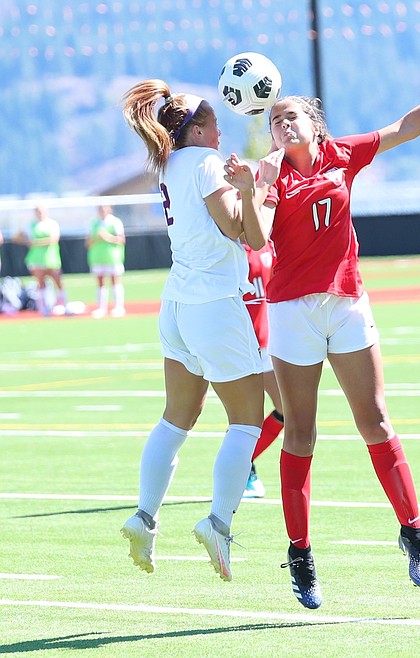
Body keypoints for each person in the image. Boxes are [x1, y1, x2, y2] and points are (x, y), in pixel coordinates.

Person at [227, 45, 420, 609]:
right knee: (301, 433)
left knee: (376, 420)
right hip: (292, 310)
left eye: (291, 115)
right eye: (274, 120)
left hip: (346, 303)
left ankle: (414, 532)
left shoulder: (342, 154)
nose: (282, 124)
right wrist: (250, 188)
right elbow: (256, 239)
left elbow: (407, 127)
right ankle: (300, 554)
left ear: (313, 124)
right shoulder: (269, 173)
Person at [119, 79, 280, 582]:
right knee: (247, 423)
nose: (220, 132)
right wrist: (262, 189)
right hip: (214, 303)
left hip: (176, 304)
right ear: (197, 130)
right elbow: (244, 232)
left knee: (175, 420)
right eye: (214, 124)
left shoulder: (168, 163)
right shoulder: (206, 163)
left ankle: (144, 516)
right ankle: (218, 523)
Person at [241, 240, 284, 498]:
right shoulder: (229, 244)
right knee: (244, 416)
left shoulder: (267, 243)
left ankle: (242, 464)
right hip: (241, 343)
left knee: (287, 410)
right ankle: (243, 472)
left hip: (269, 342)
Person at [14, 206, 67, 316]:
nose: (40, 213)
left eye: (41, 211)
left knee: (58, 282)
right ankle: (43, 309)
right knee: (40, 283)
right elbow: (16, 237)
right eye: (37, 211)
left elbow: (53, 239)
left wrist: (35, 243)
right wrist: (27, 241)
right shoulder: (31, 225)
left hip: (51, 258)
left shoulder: (52, 223)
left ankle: (64, 305)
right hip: (36, 259)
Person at [85, 205, 126, 318]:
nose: (103, 211)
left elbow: (121, 240)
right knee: (100, 283)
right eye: (100, 209)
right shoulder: (93, 223)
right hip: (97, 257)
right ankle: (101, 308)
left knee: (115, 281)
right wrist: (97, 238)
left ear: (109, 209)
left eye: (105, 208)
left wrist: (107, 237)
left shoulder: (115, 222)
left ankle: (119, 307)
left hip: (113, 257)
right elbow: (88, 243)